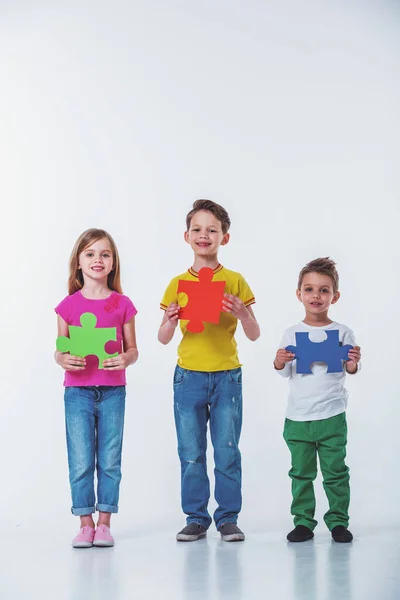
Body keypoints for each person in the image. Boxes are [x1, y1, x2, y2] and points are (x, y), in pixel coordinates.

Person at [158, 199, 260, 542]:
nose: (204, 235)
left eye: (212, 230)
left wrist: (242, 313)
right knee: (191, 452)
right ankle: (196, 518)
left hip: (227, 376)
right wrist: (169, 322)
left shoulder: (235, 281)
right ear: (186, 236)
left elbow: (254, 332)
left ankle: (228, 518)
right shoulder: (176, 284)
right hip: (189, 377)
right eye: (197, 230)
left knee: (227, 449)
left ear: (224, 238)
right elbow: (162, 337)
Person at [54, 228, 138, 548]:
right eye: (90, 254)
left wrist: (125, 360)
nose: (97, 259)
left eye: (104, 253)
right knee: (80, 460)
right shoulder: (67, 306)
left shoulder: (123, 304)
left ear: (113, 262)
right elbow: (60, 349)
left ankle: (104, 523)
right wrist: (63, 358)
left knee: (110, 460)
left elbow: (133, 350)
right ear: (78, 262)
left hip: (114, 391)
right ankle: (84, 522)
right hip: (77, 392)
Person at [274, 257, 361, 543]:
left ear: (335, 296)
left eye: (324, 290)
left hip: (332, 415)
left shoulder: (343, 332)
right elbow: (285, 372)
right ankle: (303, 521)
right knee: (301, 474)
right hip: (297, 418)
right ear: (299, 294)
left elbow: (350, 369)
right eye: (309, 289)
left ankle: (338, 521)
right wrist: (279, 360)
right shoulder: (292, 333)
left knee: (336, 473)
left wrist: (352, 363)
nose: (316, 296)